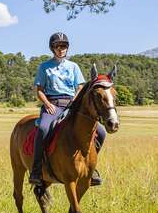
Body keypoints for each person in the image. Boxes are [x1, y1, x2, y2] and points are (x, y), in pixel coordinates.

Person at [29, 32, 106, 186]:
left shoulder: (73, 66)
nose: (61, 49)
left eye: (63, 46)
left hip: (71, 104)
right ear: (52, 48)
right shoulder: (44, 67)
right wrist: (47, 104)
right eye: (57, 46)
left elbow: (80, 87)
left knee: (101, 132)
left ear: (67, 48)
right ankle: (37, 170)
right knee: (43, 128)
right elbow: (39, 90)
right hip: (52, 104)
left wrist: (75, 100)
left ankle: (91, 169)